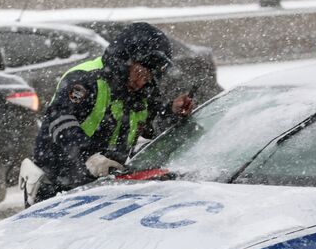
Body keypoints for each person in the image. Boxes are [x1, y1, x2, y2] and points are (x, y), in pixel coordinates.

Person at [21, 22, 194, 206]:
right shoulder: (86, 79)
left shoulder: (143, 93)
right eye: (140, 72)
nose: (143, 81)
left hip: (104, 190)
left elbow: (152, 126)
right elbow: (59, 119)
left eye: (149, 76)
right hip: (56, 185)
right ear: (125, 59)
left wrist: (172, 111)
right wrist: (89, 156)